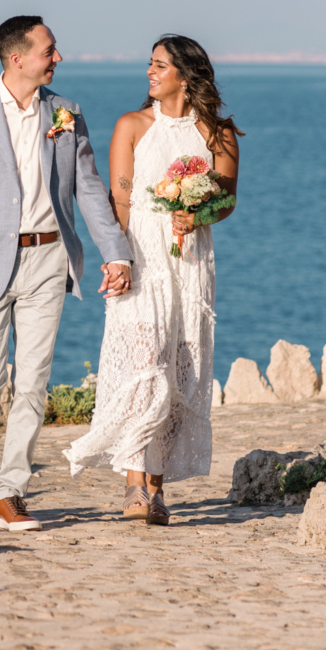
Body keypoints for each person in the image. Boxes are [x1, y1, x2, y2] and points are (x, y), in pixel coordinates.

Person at [0, 16, 134, 533]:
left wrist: (117, 253)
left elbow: (89, 190)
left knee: (32, 383)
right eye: (50, 50)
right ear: (17, 58)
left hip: (49, 261)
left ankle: (11, 493)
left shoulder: (67, 113)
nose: (59, 58)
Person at [62, 34, 241, 525]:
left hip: (189, 264)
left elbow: (227, 200)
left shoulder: (218, 134)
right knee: (145, 365)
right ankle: (133, 485)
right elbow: (119, 202)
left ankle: (157, 490)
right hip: (142, 258)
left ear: (185, 75)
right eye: (150, 64)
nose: (150, 72)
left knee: (181, 367)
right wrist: (116, 259)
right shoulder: (132, 126)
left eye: (160, 65)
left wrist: (199, 216)